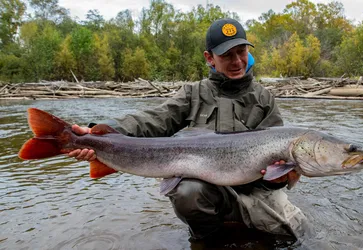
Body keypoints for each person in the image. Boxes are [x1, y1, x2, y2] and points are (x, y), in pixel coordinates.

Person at [68, 18, 307, 241]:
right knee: (187, 192)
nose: (237, 61)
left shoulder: (264, 99)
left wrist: (279, 179)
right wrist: (99, 134)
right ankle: (210, 240)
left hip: (255, 192)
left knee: (299, 234)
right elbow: (152, 120)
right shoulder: (193, 94)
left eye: (241, 52)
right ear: (210, 58)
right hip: (207, 191)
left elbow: (277, 169)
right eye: (227, 55)